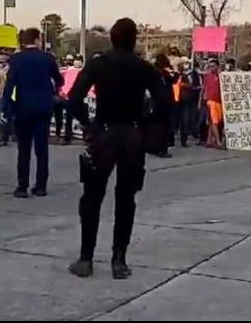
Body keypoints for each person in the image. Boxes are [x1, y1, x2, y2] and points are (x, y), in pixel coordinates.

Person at [67, 18, 169, 279]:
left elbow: (75, 98)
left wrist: (89, 128)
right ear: (134, 40)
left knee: (91, 198)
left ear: (111, 38)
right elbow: (163, 103)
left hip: (103, 134)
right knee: (126, 200)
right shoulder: (144, 68)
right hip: (131, 136)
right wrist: (145, 125)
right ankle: (119, 261)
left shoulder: (98, 64)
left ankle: (86, 259)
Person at [3, 28, 64, 198]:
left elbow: (10, 85)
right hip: (43, 108)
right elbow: (60, 79)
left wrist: (7, 107)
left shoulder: (16, 59)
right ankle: (41, 185)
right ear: (37, 39)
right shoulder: (47, 58)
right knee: (41, 148)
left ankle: (22, 186)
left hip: (23, 108)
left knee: (24, 149)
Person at [154, 53, 179, 155]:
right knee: (165, 126)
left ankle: (156, 147)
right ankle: (163, 149)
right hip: (167, 102)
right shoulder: (165, 73)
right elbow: (173, 81)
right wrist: (177, 72)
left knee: (158, 126)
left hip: (157, 101)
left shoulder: (154, 72)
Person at [177, 59, 202, 147]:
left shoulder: (196, 75)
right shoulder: (180, 75)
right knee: (185, 120)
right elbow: (177, 84)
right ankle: (184, 139)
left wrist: (194, 87)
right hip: (184, 101)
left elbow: (199, 86)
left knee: (192, 119)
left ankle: (193, 133)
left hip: (193, 99)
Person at [202, 59, 224, 149]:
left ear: (217, 66)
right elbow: (204, 88)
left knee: (212, 121)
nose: (211, 68)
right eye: (210, 66)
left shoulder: (221, 76)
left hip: (219, 101)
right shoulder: (207, 76)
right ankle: (218, 142)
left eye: (213, 66)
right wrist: (202, 100)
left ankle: (209, 140)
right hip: (211, 101)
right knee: (214, 121)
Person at [0, 52, 13, 147]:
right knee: (1, 116)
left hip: (11, 94)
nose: (2, 58)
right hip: (0, 94)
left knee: (11, 115)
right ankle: (2, 137)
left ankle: (11, 135)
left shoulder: (11, 68)